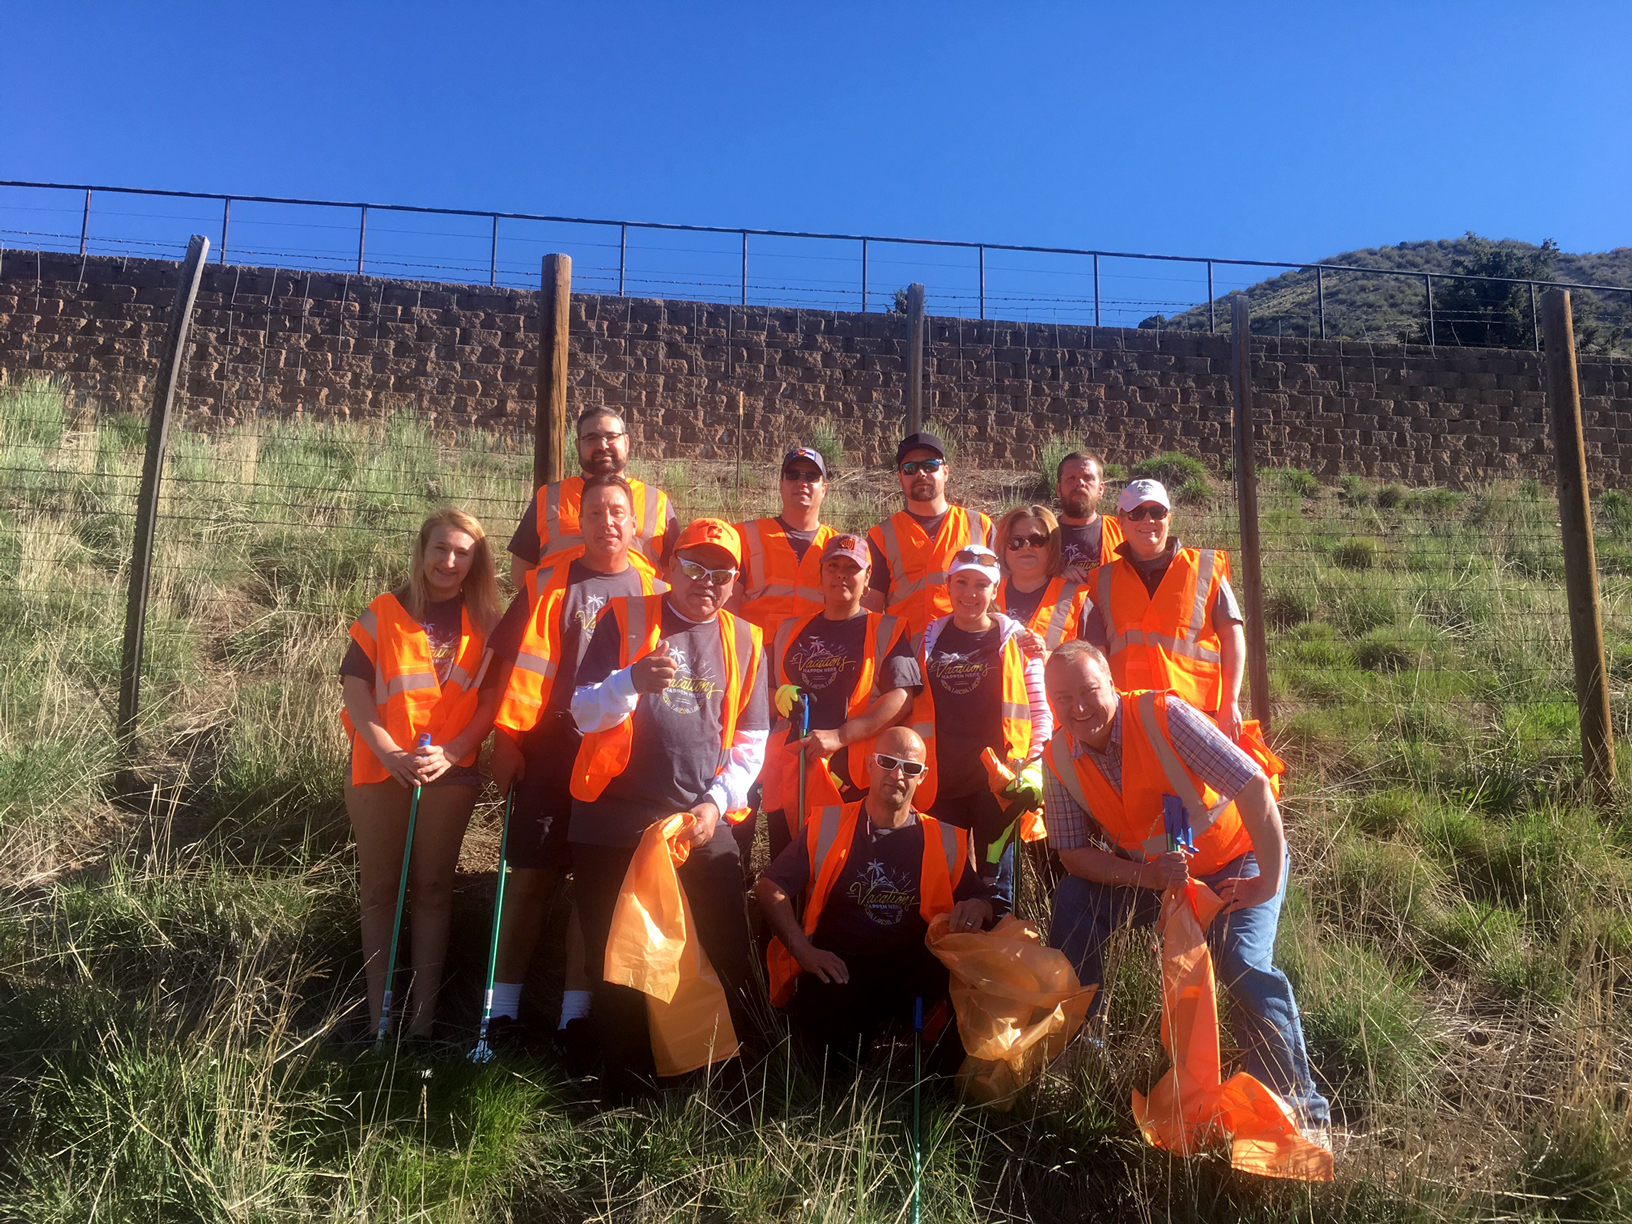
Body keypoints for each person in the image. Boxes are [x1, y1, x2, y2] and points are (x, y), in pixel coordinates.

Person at [1040, 640, 1331, 1135]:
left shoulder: (1163, 716)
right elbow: (1072, 854)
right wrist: (1146, 878)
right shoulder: (1057, 759)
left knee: (1242, 960)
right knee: (1073, 899)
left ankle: (1298, 1113)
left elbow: (1253, 786)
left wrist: (1266, 879)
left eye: (1089, 690)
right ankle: (1077, 1051)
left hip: (1234, 864)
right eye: (1063, 698)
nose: (1079, 707)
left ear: (1112, 683)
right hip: (1157, 878)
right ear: (1048, 701)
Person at [568, 517, 769, 1098]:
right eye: (695, 566)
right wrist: (630, 679)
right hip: (615, 814)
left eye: (723, 572)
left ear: (735, 581)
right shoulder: (626, 618)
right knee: (619, 956)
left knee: (724, 943)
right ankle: (624, 1084)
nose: (707, 580)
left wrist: (715, 805)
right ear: (671, 567)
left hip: (698, 817)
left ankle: (726, 1080)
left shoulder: (748, 640)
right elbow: (582, 712)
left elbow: (751, 747)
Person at [484, 473, 664, 1051]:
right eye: (595, 513)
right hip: (548, 750)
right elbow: (508, 667)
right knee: (531, 879)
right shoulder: (547, 584)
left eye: (618, 512)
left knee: (594, 888)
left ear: (634, 524)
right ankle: (499, 1014)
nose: (607, 522)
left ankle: (575, 1021)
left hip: (618, 763)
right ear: (578, 523)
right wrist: (506, 741)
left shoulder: (657, 589)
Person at [339, 508, 503, 1039]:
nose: (449, 561)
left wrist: (455, 752)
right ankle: (378, 1019)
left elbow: (491, 702)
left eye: (462, 553)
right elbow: (356, 689)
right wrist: (387, 751)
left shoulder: (487, 625)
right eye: (441, 549)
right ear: (423, 550)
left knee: (433, 888)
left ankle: (423, 1023)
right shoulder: (384, 610)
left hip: (448, 771)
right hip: (380, 767)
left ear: (475, 562)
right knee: (380, 890)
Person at [755, 725, 998, 1067]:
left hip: (914, 972)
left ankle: (930, 1064)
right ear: (870, 764)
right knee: (828, 1069)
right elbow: (770, 888)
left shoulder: (942, 838)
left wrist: (979, 906)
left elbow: (986, 902)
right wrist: (804, 951)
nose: (897, 775)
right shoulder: (829, 824)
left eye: (910, 768)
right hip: (840, 967)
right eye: (887, 762)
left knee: (951, 1062)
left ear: (922, 777)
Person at [760, 532, 919, 861]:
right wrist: (776, 696)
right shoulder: (789, 629)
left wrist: (840, 736)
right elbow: (755, 686)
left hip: (850, 782)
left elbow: (902, 697)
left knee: (844, 872)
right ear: (820, 575)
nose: (841, 575)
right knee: (788, 870)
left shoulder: (885, 629)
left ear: (868, 578)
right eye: (833, 566)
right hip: (790, 775)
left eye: (852, 568)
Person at [911, 544, 1052, 909]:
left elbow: (1040, 711)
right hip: (940, 787)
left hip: (998, 789)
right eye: (961, 583)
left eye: (980, 585)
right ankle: (950, 964)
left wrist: (1034, 764)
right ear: (948, 585)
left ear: (995, 590)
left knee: (995, 897)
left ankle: (997, 962)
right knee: (944, 890)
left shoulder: (1018, 643)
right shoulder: (926, 641)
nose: (969, 594)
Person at [1085, 478, 1248, 742]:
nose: (1147, 520)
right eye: (1137, 513)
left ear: (1168, 518)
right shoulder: (1099, 581)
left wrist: (1230, 702)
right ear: (1120, 521)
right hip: (1130, 717)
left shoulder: (1204, 568)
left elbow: (1233, 636)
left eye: (1157, 512)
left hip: (1200, 714)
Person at [506, 406, 676, 587]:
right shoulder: (548, 497)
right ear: (578, 446)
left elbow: (673, 572)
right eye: (592, 438)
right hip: (561, 610)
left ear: (626, 442)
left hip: (638, 610)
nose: (602, 445)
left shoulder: (657, 501)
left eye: (611, 437)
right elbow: (521, 572)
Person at [864, 431, 995, 637]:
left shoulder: (980, 525)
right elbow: (871, 605)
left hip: (966, 652)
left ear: (945, 472)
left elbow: (999, 595)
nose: (920, 474)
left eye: (930, 466)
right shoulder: (881, 535)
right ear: (900, 478)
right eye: (910, 468)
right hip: (906, 654)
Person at [729, 445, 838, 639]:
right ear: (781, 484)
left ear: (824, 489)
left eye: (811, 476)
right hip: (757, 658)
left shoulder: (837, 546)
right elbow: (728, 608)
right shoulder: (745, 535)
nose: (801, 482)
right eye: (793, 475)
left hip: (815, 661)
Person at [994, 504, 1093, 655]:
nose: (1026, 547)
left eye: (1037, 540)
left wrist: (1046, 656)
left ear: (1052, 546)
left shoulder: (1079, 600)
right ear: (1003, 548)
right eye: (1016, 541)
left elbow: (1097, 665)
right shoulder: (985, 594)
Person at [1054, 450, 1124, 582]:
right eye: (1071, 478)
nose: (1080, 483)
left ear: (1101, 489)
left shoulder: (1123, 530)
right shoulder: (1040, 535)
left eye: (1088, 478)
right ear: (1059, 489)